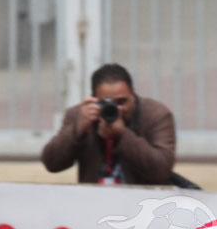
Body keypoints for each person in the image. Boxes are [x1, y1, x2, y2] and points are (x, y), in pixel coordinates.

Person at [41, 63, 176, 184]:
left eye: (122, 102)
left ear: (133, 95)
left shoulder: (156, 115)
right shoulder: (80, 115)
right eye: (106, 103)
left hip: (141, 200)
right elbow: (52, 164)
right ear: (93, 98)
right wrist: (76, 131)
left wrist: (123, 135)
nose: (116, 109)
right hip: (95, 200)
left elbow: (162, 170)